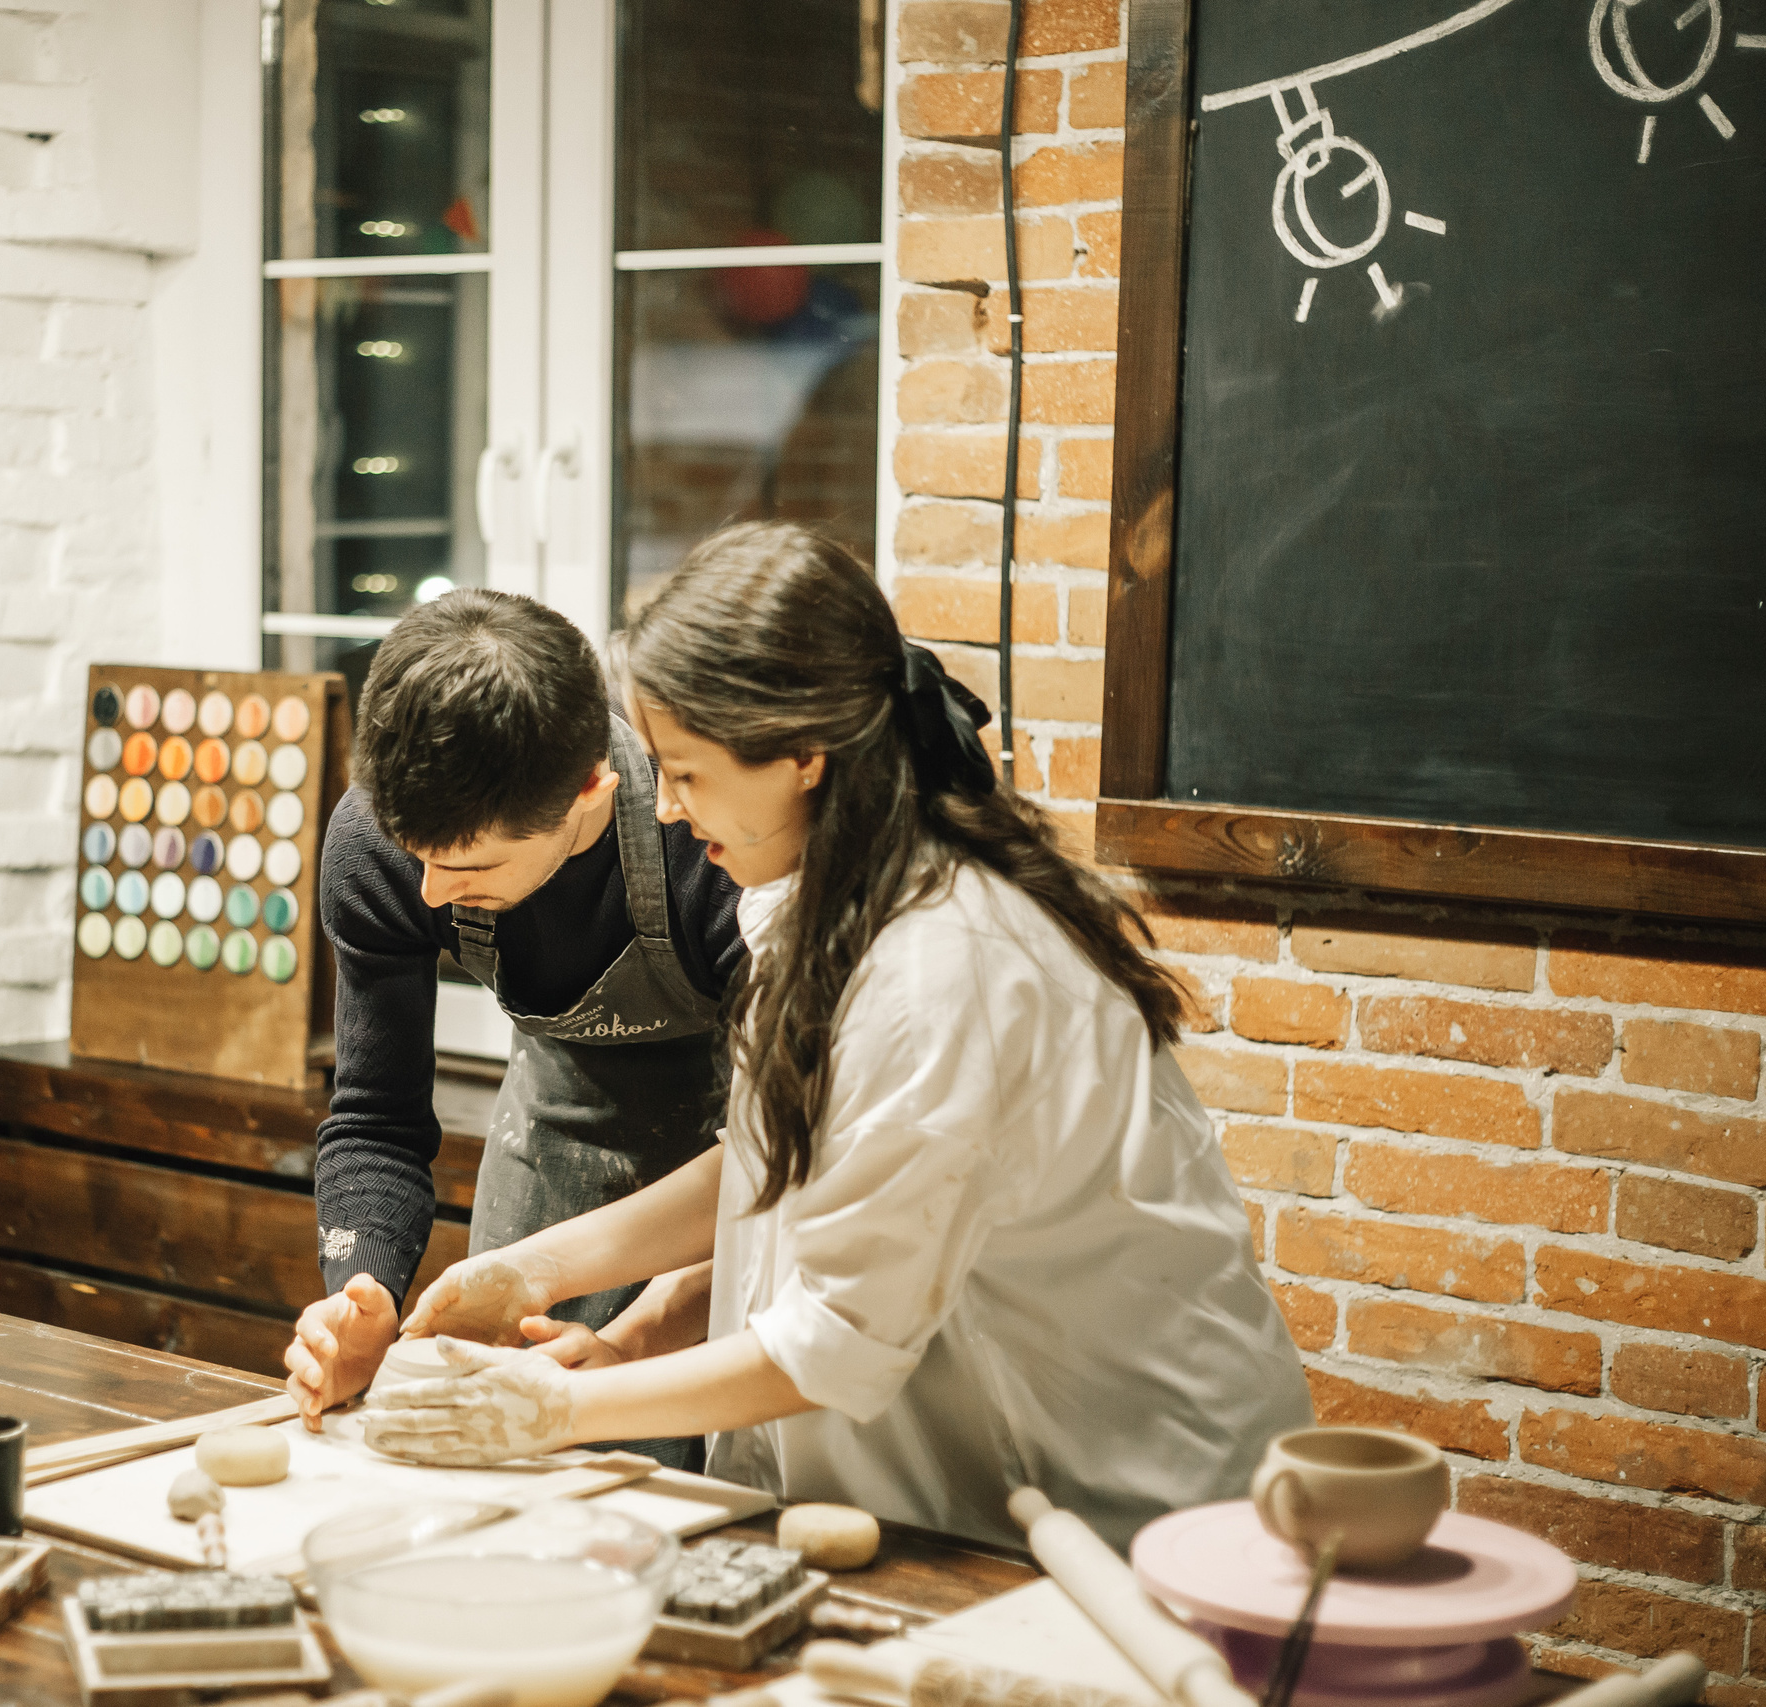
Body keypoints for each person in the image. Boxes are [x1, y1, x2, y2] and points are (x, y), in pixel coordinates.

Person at [359, 523, 1313, 1552]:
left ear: (803, 756)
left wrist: (555, 1411)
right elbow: (784, 1178)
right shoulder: (817, 899)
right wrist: (594, 1307)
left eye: (686, 774)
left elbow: (837, 1340)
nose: (670, 813)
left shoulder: (941, 971)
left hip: (1119, 1486)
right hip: (987, 1480)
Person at [285, 590, 744, 1466]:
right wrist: (361, 1296)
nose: (427, 895)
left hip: (731, 1179)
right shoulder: (378, 846)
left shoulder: (710, 849)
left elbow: (779, 1156)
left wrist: (652, 1323)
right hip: (546, 1166)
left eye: (470, 867)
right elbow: (376, 1118)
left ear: (589, 789)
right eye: (413, 854)